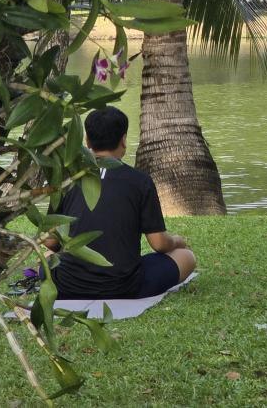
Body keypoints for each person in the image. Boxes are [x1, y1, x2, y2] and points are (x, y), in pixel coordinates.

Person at [49, 107, 197, 299]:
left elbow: (50, 240)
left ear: (87, 141)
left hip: (67, 285)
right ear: (123, 140)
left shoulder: (66, 180)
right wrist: (178, 241)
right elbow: (159, 244)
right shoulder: (139, 181)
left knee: (48, 261)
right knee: (186, 257)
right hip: (124, 286)